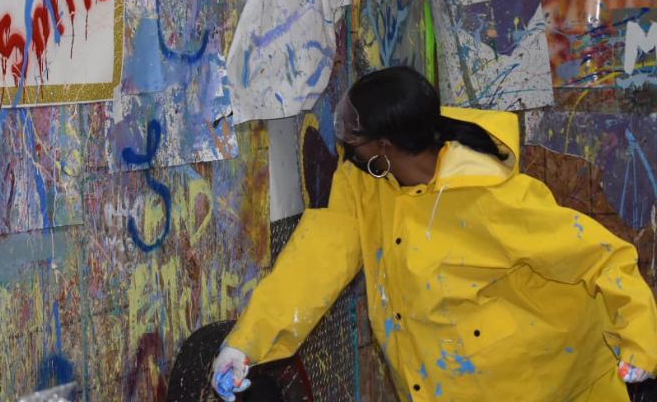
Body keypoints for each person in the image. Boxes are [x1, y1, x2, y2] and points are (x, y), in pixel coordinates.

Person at [211, 66, 657, 401]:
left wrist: (641, 346)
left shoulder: (491, 197)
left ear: (385, 146)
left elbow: (602, 256)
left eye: (354, 138)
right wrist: (246, 343)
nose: (345, 147)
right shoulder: (365, 183)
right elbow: (315, 262)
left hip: (558, 385)